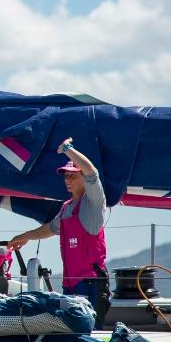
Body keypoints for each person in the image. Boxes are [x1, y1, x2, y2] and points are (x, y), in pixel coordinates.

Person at [8, 137, 110, 329]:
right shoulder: (66, 208)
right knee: (72, 331)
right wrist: (25, 236)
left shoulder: (93, 204)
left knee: (91, 331)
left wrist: (68, 149)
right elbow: (51, 229)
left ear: (83, 179)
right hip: (70, 284)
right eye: (65, 176)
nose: (68, 180)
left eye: (73, 175)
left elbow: (92, 173)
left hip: (90, 283)